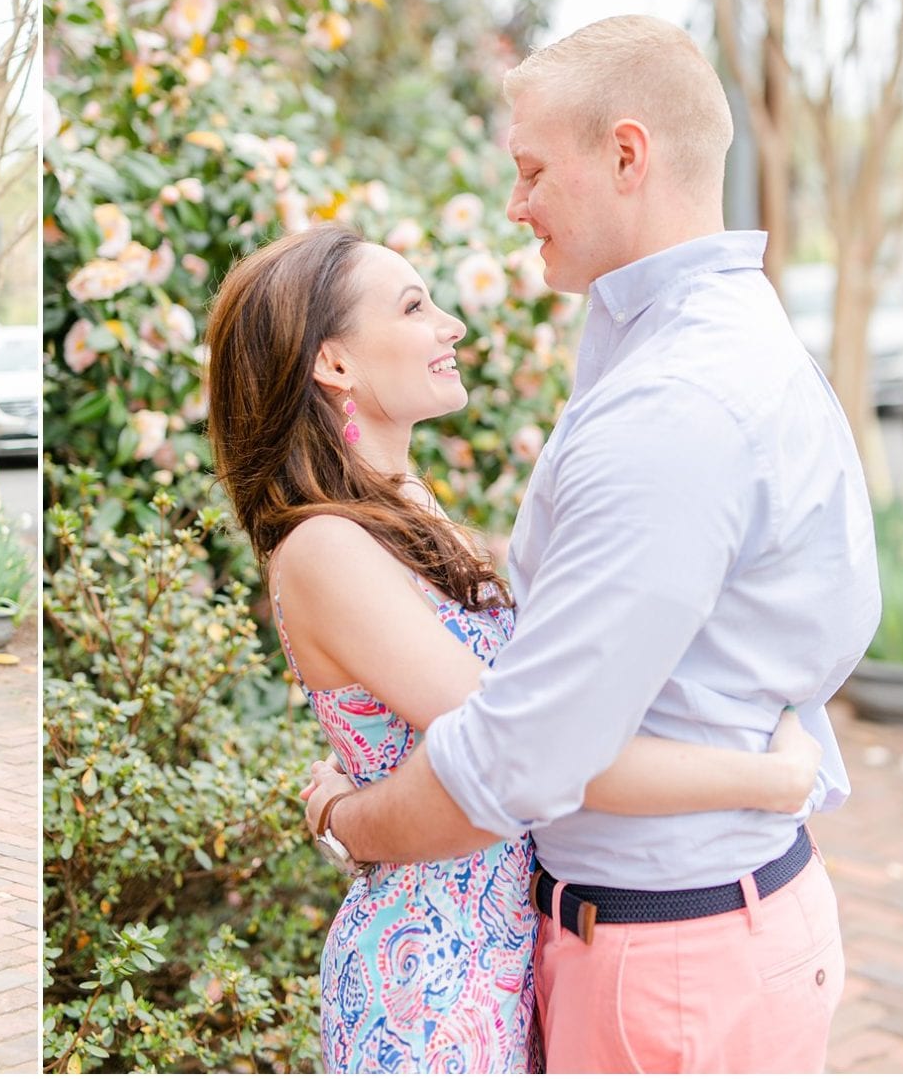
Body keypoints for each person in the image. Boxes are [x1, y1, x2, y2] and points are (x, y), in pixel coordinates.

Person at [305, 15, 880, 1072]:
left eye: (530, 169)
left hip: (667, 968)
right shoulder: (686, 347)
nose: (514, 203)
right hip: (681, 938)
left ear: (626, 155)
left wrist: (346, 819)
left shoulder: (676, 399)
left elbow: (523, 749)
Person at [204, 224, 824, 1073]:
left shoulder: (409, 508)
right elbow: (528, 747)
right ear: (334, 363)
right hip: (426, 980)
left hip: (503, 956)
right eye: (416, 306)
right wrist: (772, 779)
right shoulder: (324, 549)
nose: (452, 324)